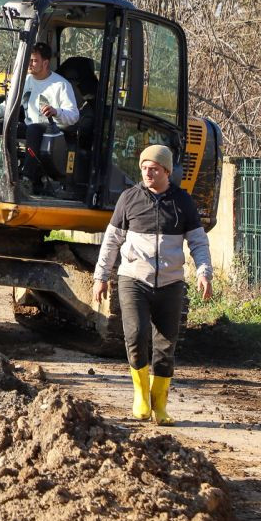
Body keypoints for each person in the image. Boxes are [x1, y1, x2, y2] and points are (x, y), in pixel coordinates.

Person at [91, 144, 213, 425]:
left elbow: (197, 241)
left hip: (171, 283)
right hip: (133, 279)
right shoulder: (129, 198)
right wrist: (101, 277)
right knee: (136, 334)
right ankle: (141, 396)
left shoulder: (182, 202)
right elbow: (111, 241)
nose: (147, 173)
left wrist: (204, 272)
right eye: (144, 168)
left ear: (167, 172)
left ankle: (160, 405)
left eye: (154, 169)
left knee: (166, 344)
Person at [20, 42, 79, 188]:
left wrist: (56, 111)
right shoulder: (25, 80)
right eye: (28, 60)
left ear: (45, 63)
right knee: (1, 125)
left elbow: (74, 115)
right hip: (30, 126)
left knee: (33, 129)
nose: (29, 64)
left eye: (34, 61)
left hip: (54, 130)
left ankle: (27, 179)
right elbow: (11, 103)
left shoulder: (61, 85)